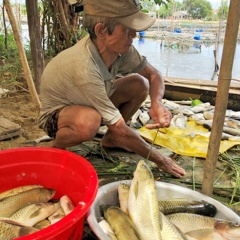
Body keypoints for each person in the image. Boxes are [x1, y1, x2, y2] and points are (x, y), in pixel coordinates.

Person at [38, 0, 186, 178]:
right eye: (127, 28)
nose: (134, 35)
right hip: (58, 116)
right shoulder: (85, 66)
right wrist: (161, 160)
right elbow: (119, 127)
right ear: (101, 31)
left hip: (91, 102)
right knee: (89, 122)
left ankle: (111, 139)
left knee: (140, 83)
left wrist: (157, 103)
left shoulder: (122, 50)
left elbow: (154, 75)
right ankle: (54, 147)